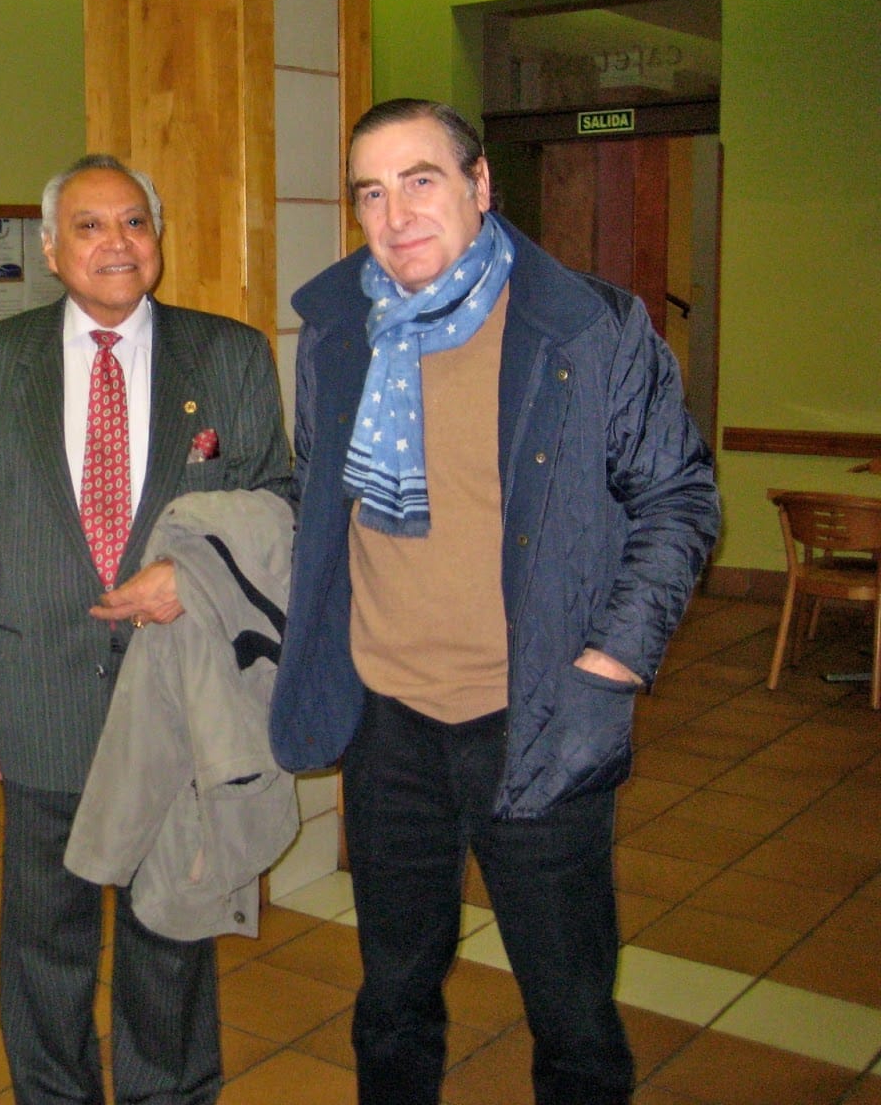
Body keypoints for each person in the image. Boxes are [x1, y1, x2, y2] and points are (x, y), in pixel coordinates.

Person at [269, 100, 720, 1105]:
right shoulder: (339, 329)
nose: (394, 215)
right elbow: (318, 495)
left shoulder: (586, 327)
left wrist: (607, 668)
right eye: (370, 193)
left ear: (478, 187)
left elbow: (680, 497)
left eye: (420, 180)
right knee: (390, 994)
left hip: (535, 718)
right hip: (390, 721)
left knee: (568, 1011)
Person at [0, 154, 291, 1105]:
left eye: (135, 224)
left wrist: (198, 572)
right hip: (37, 699)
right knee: (43, 945)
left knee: (169, 936)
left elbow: (282, 502)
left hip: (173, 695)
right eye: (91, 226)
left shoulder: (229, 354)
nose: (117, 244)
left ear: (159, 241)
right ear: (52, 249)